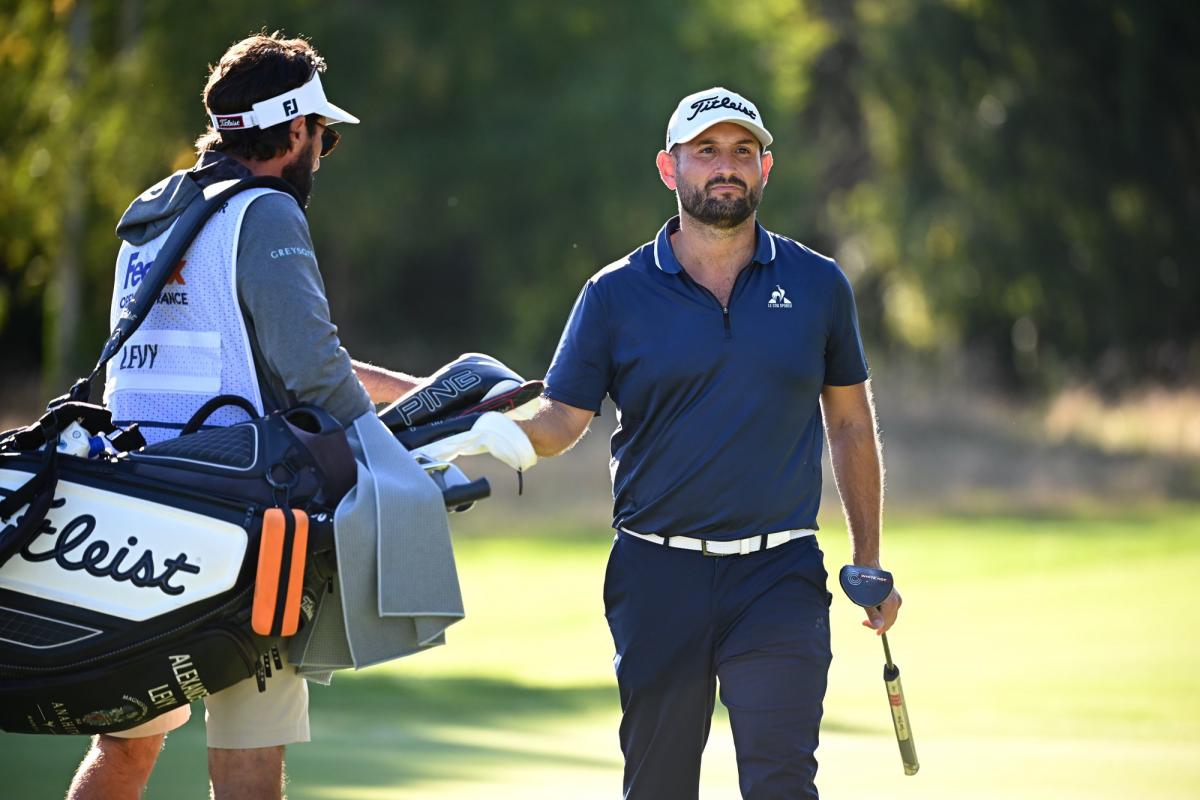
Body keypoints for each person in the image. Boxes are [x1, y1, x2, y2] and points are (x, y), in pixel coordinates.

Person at [516, 87, 903, 799]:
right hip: (656, 575)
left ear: (766, 169)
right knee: (659, 787)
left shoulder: (818, 286)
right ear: (670, 169)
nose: (725, 166)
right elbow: (559, 421)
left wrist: (868, 559)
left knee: (783, 783)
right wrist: (489, 429)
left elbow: (849, 421)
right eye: (706, 152)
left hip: (779, 574)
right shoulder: (613, 294)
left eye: (742, 152)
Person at [67, 32, 421, 800]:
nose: (322, 153)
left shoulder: (160, 210)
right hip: (240, 514)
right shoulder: (265, 210)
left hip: (134, 509)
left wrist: (413, 389)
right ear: (295, 130)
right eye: (322, 137)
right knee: (248, 762)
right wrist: (389, 460)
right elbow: (312, 368)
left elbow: (251, 345)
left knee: (124, 751)